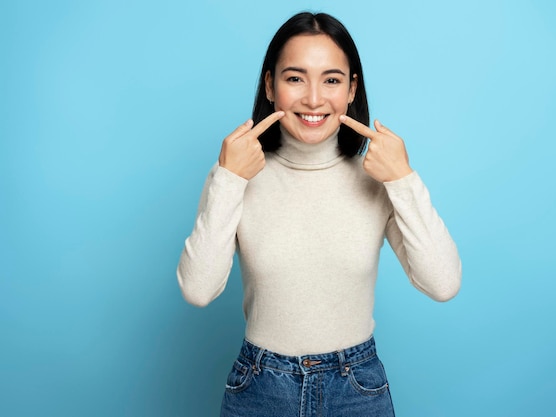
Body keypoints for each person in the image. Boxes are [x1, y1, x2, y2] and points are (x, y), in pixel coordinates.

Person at [177, 11, 462, 417]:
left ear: (351, 89)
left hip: (356, 389)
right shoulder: (236, 175)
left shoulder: (379, 179)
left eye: (331, 79)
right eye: (295, 78)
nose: (313, 98)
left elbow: (443, 283)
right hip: (260, 388)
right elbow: (197, 290)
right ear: (270, 86)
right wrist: (227, 179)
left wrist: (403, 178)